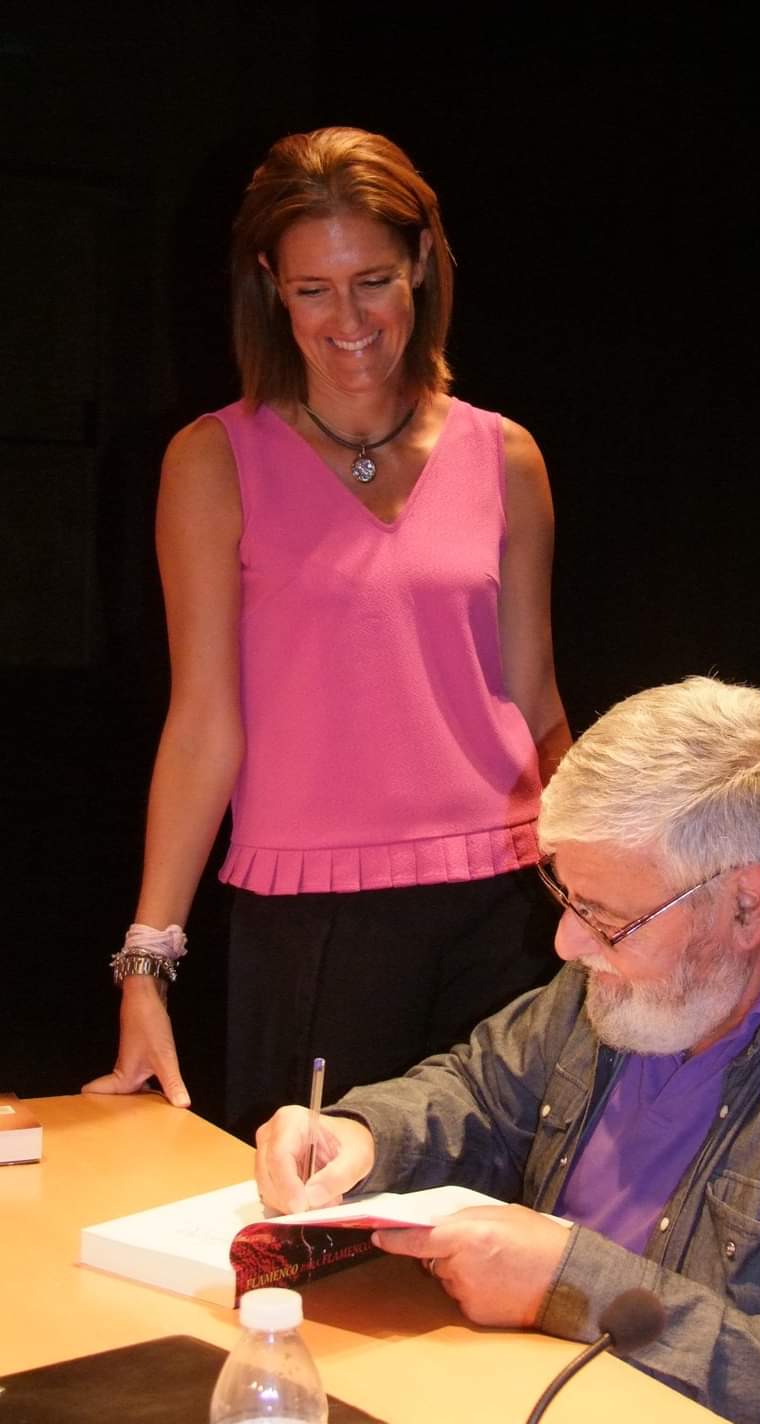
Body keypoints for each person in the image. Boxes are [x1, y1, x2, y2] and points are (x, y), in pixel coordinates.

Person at [256, 677, 760, 1424]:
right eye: (566, 897)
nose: (567, 943)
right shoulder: (660, 961)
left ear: (745, 905)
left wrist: (572, 1285)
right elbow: (486, 1090)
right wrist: (367, 1136)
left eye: (603, 917)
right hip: (532, 1391)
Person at [85, 127, 571, 1135]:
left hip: (508, 905)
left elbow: (536, 702)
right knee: (318, 1214)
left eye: (374, 281)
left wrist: (606, 895)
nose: (348, 321)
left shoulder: (506, 456)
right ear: (271, 286)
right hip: (314, 916)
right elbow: (202, 724)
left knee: (500, 1208)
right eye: (314, 289)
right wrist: (147, 963)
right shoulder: (214, 461)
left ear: (422, 264)